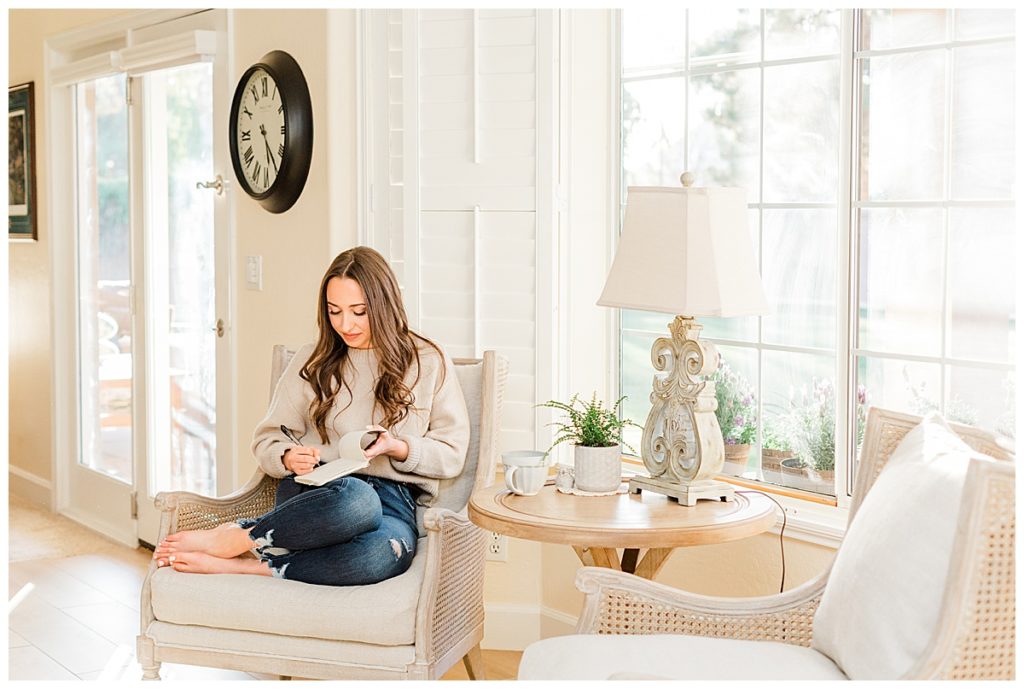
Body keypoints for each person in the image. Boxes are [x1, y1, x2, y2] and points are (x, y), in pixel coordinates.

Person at [153, 246, 470, 586]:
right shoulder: (312, 361)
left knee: (382, 554)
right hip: (316, 496)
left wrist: (399, 447)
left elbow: (452, 453)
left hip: (392, 500)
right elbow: (266, 439)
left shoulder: (426, 360)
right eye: (335, 311)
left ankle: (249, 559)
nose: (345, 324)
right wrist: (288, 457)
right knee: (356, 499)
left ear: (383, 305)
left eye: (359, 312)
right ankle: (242, 537)